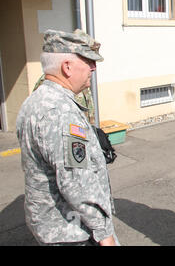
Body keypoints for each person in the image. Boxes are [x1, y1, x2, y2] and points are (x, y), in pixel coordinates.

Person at [16, 29, 118, 246]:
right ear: (67, 67)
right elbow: (76, 183)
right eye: (89, 61)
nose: (94, 67)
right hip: (72, 232)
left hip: (52, 227)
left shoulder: (36, 101)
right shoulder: (59, 112)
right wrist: (104, 233)